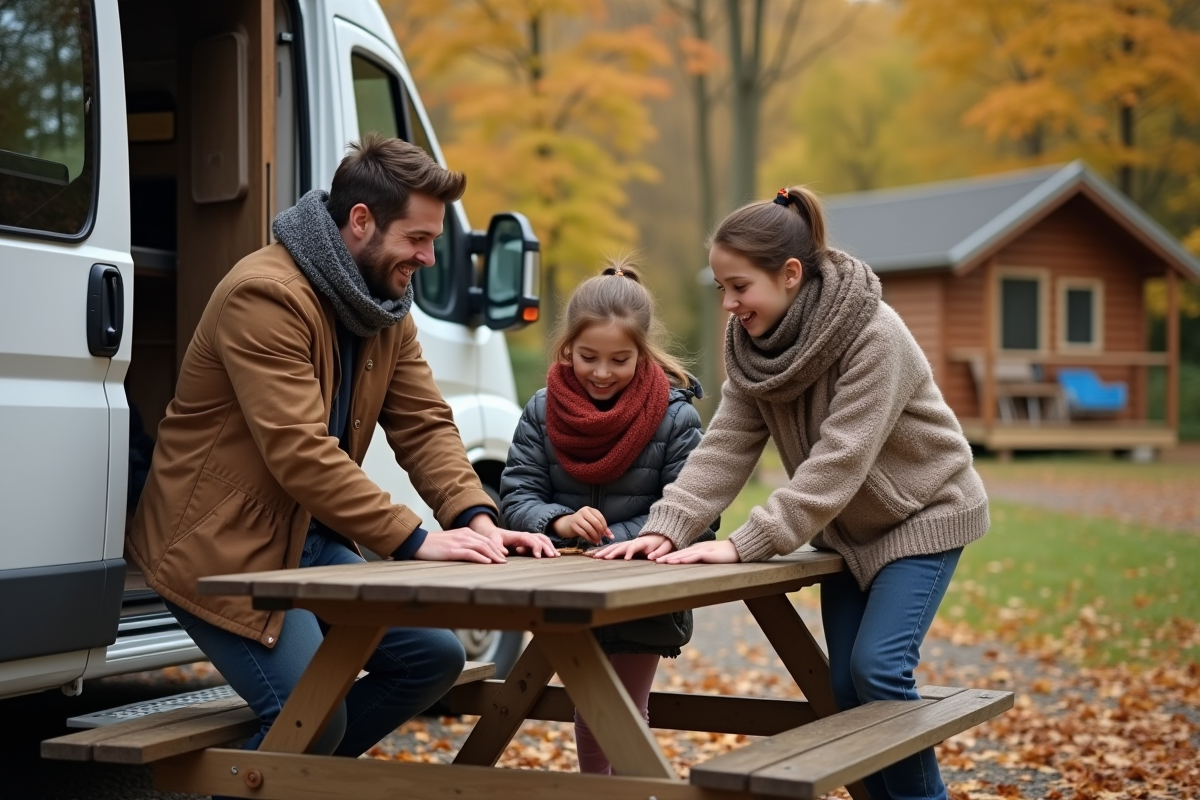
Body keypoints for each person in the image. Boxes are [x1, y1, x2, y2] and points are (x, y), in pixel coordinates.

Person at [127, 133, 557, 767]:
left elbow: (424, 422)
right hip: (218, 543)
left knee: (431, 661)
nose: (430, 257)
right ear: (361, 221)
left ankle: (301, 779)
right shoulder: (266, 294)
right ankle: (288, 771)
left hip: (303, 535)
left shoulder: (384, 305)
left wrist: (475, 517)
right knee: (312, 716)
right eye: (419, 238)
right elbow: (300, 451)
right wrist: (413, 538)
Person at [593, 187, 989, 800]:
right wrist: (664, 527)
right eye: (722, 288)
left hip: (923, 516)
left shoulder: (874, 334)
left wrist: (743, 544)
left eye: (739, 287)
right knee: (844, 688)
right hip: (848, 530)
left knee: (878, 671)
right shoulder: (750, 346)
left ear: (791, 274)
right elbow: (726, 446)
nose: (728, 304)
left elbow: (840, 460)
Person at [498, 261, 716, 775]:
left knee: (622, 709)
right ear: (566, 349)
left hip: (644, 597)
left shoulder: (676, 416)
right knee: (591, 709)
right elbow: (517, 495)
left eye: (619, 359)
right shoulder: (542, 410)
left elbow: (694, 513)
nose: (601, 372)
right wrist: (558, 521)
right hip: (566, 595)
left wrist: (615, 537)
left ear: (643, 354)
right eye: (588, 357)